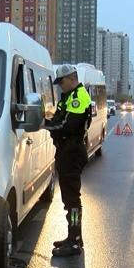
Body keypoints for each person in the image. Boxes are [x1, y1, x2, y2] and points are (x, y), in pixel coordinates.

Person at [44, 64, 92, 257]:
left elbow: (66, 126)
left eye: (62, 82)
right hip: (66, 151)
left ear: (72, 78)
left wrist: (42, 125)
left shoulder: (79, 98)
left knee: (72, 201)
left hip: (72, 152)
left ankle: (74, 241)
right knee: (69, 199)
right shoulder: (69, 97)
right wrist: (47, 122)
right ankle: (73, 236)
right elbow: (57, 119)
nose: (60, 86)